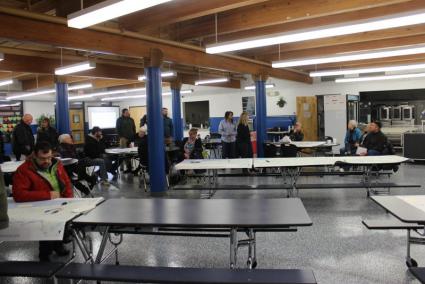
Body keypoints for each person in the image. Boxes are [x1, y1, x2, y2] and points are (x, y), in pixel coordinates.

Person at [12, 141, 73, 261]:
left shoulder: (57, 164)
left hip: (61, 203)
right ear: (34, 155)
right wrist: (47, 195)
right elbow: (18, 195)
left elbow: (66, 183)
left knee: (61, 225)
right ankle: (45, 255)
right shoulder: (24, 170)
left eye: (49, 157)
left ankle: (58, 245)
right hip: (40, 206)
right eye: (42, 158)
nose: (47, 161)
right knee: (46, 229)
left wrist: (69, 200)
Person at [116, 108, 136, 173]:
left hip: (131, 138)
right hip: (123, 139)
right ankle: (122, 167)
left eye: (128, 112)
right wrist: (122, 137)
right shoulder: (119, 120)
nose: (128, 113)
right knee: (123, 153)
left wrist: (134, 136)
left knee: (130, 153)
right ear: (123, 113)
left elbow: (134, 128)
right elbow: (117, 129)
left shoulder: (131, 119)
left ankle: (129, 167)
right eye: (126, 112)